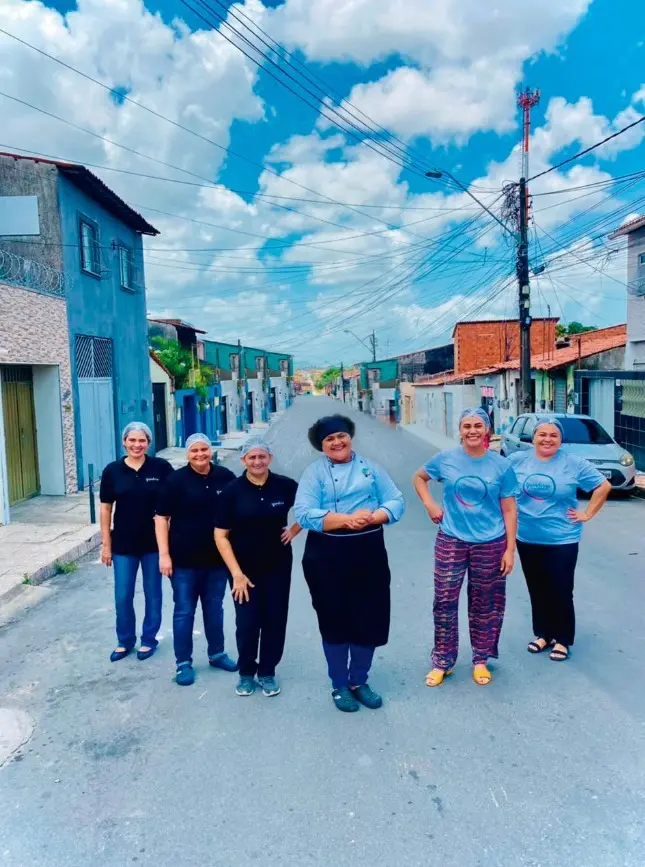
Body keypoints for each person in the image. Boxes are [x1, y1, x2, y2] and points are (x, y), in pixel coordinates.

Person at [294, 415, 405, 713]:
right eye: (329, 439)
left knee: (369, 617)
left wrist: (373, 517)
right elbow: (303, 513)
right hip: (326, 555)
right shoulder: (314, 473)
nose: (337, 442)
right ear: (321, 445)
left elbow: (396, 501)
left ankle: (359, 681)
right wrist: (346, 520)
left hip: (369, 551)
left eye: (341, 436)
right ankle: (339, 684)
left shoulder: (371, 468)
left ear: (350, 437)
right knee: (334, 621)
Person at [413, 407, 519, 687]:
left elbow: (509, 509)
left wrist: (509, 550)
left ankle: (481, 659)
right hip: (452, 539)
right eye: (467, 426)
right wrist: (430, 504)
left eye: (477, 425)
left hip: (491, 542)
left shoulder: (501, 466)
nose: (472, 430)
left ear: (487, 430)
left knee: (485, 602)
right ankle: (442, 661)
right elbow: (419, 478)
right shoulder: (445, 459)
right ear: (460, 430)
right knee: (444, 600)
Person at [508, 417, 611, 662]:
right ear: (533, 437)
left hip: (562, 538)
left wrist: (587, 513)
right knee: (537, 587)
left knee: (561, 589)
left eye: (553, 435)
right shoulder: (517, 460)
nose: (547, 439)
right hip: (527, 536)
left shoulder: (572, 463)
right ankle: (543, 634)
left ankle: (562, 638)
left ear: (561, 439)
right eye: (542, 434)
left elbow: (603, 486)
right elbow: (500, 486)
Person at [215, 437, 300, 698]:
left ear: (269, 458)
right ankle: (246, 672)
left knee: (275, 619)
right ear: (244, 460)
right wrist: (236, 575)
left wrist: (295, 529)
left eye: (262, 456)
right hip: (243, 570)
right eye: (251, 457)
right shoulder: (231, 491)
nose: (257, 461)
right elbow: (220, 536)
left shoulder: (285, 486)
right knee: (248, 623)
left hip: (277, 566)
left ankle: (267, 672)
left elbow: (310, 506)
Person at [155, 433, 238, 686]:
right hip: (183, 561)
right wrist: (164, 555)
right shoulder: (175, 481)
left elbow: (238, 511)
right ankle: (183, 663)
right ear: (187, 454)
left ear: (210, 451)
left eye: (204, 449)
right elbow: (161, 518)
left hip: (216, 560)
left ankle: (217, 654)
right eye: (194, 451)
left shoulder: (225, 477)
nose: (200, 454)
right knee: (184, 611)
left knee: (214, 608)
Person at [100, 422, 173, 663]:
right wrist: (106, 545)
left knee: (153, 594)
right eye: (132, 440)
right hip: (123, 545)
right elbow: (106, 509)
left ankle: (149, 639)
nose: (137, 445)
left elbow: (175, 500)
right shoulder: (113, 471)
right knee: (123, 596)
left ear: (148, 443)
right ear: (124, 442)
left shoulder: (161, 468)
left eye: (142, 440)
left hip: (154, 544)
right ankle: (125, 640)